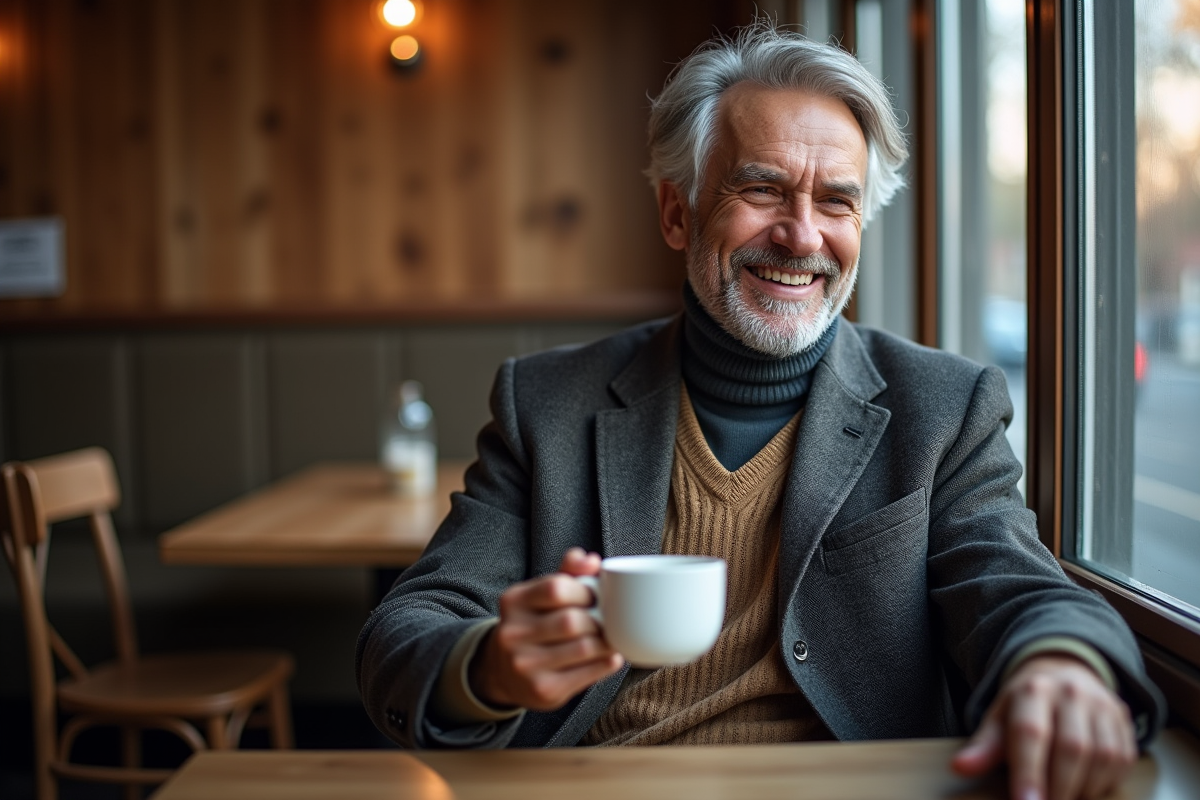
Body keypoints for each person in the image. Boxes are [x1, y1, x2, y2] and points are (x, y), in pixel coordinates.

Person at [357, 22, 1164, 800]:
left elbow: (1015, 587)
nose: (801, 236)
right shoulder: (546, 403)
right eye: (762, 189)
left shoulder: (946, 407)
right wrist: (488, 665)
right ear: (678, 213)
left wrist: (1062, 663)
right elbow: (408, 629)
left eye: (837, 203)